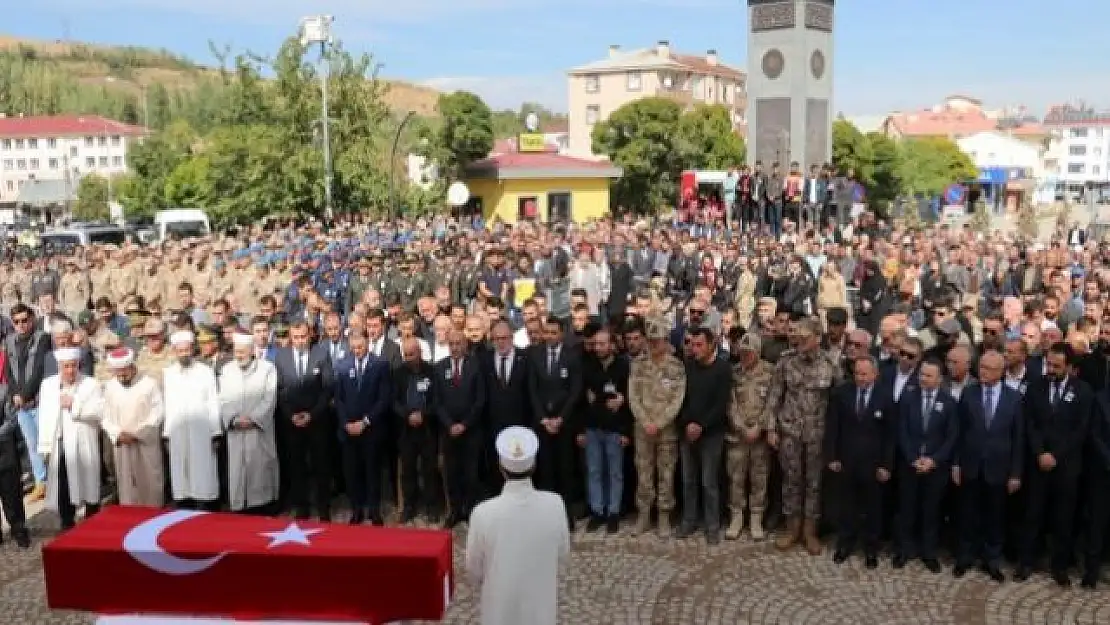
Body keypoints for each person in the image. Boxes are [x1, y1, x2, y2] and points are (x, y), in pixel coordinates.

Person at [465, 426, 569, 625]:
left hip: (499, 612)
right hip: (540, 612)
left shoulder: (483, 513)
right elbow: (562, 559)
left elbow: (473, 569)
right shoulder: (555, 504)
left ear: (501, 468)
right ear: (534, 465)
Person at [1014, 342, 1092, 587]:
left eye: (1057, 366)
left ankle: (1059, 566)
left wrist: (1056, 455)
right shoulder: (1035, 388)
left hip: (1066, 466)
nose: (1051, 369)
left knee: (1063, 518)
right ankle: (1026, 561)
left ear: (1069, 366)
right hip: (1038, 464)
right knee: (1032, 514)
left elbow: (1080, 430)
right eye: (1049, 364)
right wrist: (1040, 453)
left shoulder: (1083, 391)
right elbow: (1030, 424)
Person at [952, 349, 1024, 582]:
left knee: (995, 516)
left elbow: (1018, 438)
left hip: (999, 468)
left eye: (988, 369)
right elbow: (959, 432)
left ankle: (991, 559)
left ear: (1001, 372)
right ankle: (965, 556)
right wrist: (956, 464)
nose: (982, 372)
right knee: (967, 513)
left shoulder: (1014, 398)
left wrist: (1015, 473)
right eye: (981, 367)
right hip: (971, 465)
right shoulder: (969, 394)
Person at [824, 355, 895, 568]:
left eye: (865, 374)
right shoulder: (842, 394)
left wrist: (886, 465)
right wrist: (832, 456)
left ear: (875, 374)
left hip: (873, 464)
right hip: (846, 461)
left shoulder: (885, 397)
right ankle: (845, 543)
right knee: (847, 505)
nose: (860, 378)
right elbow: (832, 428)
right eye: (857, 373)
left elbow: (891, 436)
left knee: (873, 508)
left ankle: (871, 548)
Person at [894, 358, 958, 573]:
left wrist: (934, 460)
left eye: (928, 376)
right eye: (922, 374)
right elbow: (901, 430)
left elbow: (951, 437)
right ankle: (904, 549)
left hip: (935, 468)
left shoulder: (949, 403)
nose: (923, 378)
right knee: (907, 509)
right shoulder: (908, 397)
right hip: (909, 465)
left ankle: (928, 552)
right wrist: (913, 458)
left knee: (931, 512)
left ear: (939, 379)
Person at [38, 346, 104, 529]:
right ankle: (67, 522)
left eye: (73, 366)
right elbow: (44, 414)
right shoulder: (48, 385)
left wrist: (74, 405)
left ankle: (93, 524)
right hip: (60, 442)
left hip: (84, 442)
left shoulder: (91, 384)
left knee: (89, 484)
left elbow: (99, 412)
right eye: (66, 366)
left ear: (79, 365)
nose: (70, 371)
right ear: (59, 366)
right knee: (63, 485)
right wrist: (44, 445)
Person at [274, 320, 333, 521]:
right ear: (291, 337)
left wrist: (312, 414)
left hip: (317, 421)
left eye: (303, 337)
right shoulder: (281, 357)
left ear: (310, 335)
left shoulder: (321, 354)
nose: (299, 341)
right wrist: (291, 415)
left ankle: (323, 507)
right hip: (292, 422)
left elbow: (327, 389)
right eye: (296, 337)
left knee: (321, 465)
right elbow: (280, 391)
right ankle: (302, 507)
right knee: (296, 465)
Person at [335, 328, 392, 526]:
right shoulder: (342, 365)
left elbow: (384, 398)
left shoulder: (380, 364)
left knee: (372, 471)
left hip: (371, 429)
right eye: (353, 348)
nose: (357, 351)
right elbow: (339, 398)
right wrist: (346, 423)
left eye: (360, 347)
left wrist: (366, 421)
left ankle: (374, 510)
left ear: (367, 344)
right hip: (349, 430)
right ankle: (357, 509)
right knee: (352, 471)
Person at [219, 333, 280, 514]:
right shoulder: (227, 370)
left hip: (258, 431)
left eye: (243, 352)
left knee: (260, 472)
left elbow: (269, 399)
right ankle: (239, 509)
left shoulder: (267, 369)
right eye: (236, 352)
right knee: (238, 473)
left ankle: (263, 508)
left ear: (252, 351)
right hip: (236, 430)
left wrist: (253, 419)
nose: (239, 355)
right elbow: (223, 400)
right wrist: (234, 419)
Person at [163, 330, 222, 510]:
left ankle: (206, 506)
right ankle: (184, 506)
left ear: (192, 349)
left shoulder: (205, 372)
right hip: (177, 431)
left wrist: (216, 432)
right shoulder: (169, 373)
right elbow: (168, 404)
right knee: (181, 472)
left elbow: (213, 401)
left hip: (202, 431)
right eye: (180, 351)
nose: (184, 354)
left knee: (203, 471)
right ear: (174, 351)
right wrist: (166, 433)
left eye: (187, 350)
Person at [434, 328, 487, 527]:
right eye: (452, 344)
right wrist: (450, 424)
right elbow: (437, 401)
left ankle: (470, 510)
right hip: (448, 432)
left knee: (471, 473)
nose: (455, 348)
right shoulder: (440, 368)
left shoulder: (476, 366)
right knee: (452, 473)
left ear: (465, 345)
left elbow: (480, 400)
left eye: (458, 344)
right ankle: (455, 511)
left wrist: (464, 424)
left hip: (471, 430)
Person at [100, 347, 166, 507]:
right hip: (122, 445)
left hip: (145, 444)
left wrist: (137, 434)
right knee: (127, 488)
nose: (121, 376)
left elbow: (157, 412)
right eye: (118, 372)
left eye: (124, 371)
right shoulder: (110, 387)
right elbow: (104, 415)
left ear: (132, 366)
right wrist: (117, 434)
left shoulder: (149, 384)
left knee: (150, 487)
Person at [5, 303, 50, 501]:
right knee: (32, 445)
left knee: (45, 444)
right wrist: (16, 394)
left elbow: (39, 368)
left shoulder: (42, 339)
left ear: (32, 319)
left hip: (38, 400)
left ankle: (53, 482)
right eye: (16, 322)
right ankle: (41, 483)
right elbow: (8, 371)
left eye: (25, 320)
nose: (21, 325)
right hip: (20, 404)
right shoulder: (9, 341)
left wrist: (25, 394)